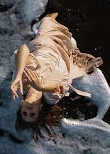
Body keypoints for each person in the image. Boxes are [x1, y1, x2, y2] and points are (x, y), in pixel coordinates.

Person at [10, 12, 103, 140]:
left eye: (24, 113)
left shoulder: (21, 84)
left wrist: (18, 74)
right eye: (32, 114)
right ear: (40, 109)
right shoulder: (50, 98)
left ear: (21, 105)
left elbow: (23, 49)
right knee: (57, 23)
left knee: (50, 17)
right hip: (61, 55)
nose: (29, 111)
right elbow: (56, 86)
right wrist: (41, 86)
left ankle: (48, 20)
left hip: (43, 45)